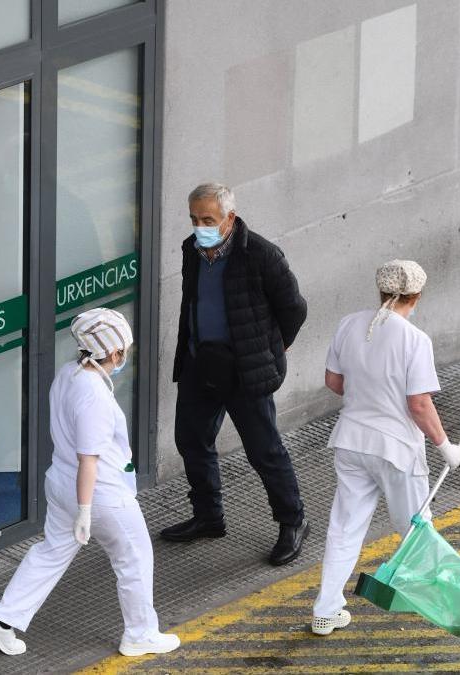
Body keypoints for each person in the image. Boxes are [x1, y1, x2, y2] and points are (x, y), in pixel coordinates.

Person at [0, 308, 180, 657]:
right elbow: (90, 460)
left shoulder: (69, 373)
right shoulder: (94, 396)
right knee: (134, 558)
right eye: (124, 350)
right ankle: (140, 633)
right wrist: (86, 511)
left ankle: (2, 620)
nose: (126, 355)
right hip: (100, 495)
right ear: (114, 353)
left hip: (61, 483)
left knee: (50, 554)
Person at [310, 260, 460, 635]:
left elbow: (334, 381)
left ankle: (325, 611)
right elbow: (419, 404)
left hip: (350, 441)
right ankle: (443, 605)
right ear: (416, 297)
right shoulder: (415, 340)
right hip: (397, 451)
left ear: (381, 291)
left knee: (344, 529)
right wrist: (446, 447)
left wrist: (367, 397)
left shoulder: (349, 323)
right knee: (416, 527)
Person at [162, 183, 310, 566]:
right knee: (191, 441)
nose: (200, 226)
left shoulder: (261, 255)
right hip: (200, 364)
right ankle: (209, 517)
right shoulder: (191, 250)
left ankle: (293, 520)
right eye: (194, 219)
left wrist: (275, 348)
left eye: (208, 219)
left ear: (229, 217)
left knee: (264, 451)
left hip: (246, 369)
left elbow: (293, 308)